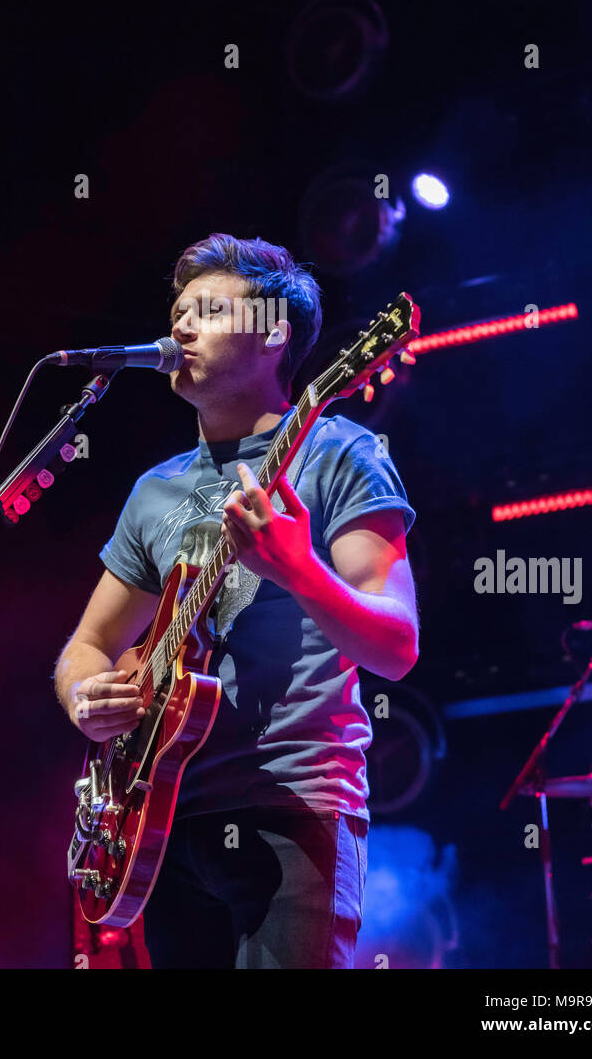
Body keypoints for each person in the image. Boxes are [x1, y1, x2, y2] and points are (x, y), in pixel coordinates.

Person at [54, 232, 419, 968]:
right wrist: (84, 698)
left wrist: (298, 569)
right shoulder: (155, 491)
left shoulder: (338, 452)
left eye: (208, 311)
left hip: (295, 809)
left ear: (272, 335)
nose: (179, 327)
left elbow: (395, 646)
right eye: (177, 311)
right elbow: (83, 650)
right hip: (163, 822)